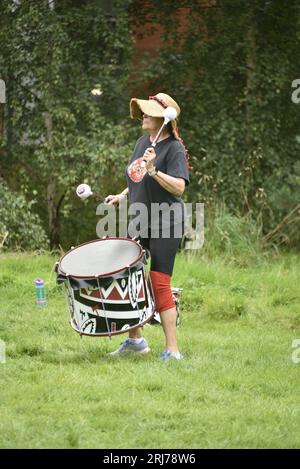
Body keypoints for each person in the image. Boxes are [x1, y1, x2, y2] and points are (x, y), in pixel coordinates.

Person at [105, 92, 190, 361]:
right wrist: (121, 195)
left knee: (159, 283)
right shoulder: (143, 142)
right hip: (140, 219)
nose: (142, 115)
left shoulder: (174, 148)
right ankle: (135, 340)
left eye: (148, 111)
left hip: (166, 222)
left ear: (162, 118)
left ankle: (172, 349)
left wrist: (154, 170)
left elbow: (179, 187)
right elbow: (138, 174)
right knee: (129, 276)